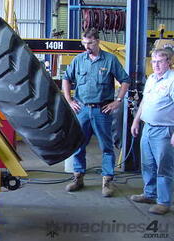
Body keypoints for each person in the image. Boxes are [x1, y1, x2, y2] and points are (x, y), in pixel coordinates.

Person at [62, 28, 131, 197]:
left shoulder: (110, 60)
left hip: (102, 110)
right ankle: (78, 177)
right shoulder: (79, 60)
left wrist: (118, 101)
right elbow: (66, 78)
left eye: (90, 43)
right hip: (82, 110)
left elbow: (125, 80)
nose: (87, 47)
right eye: (84, 43)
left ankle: (107, 180)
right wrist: (70, 101)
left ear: (98, 41)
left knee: (106, 147)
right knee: (78, 144)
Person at [130, 48, 174, 215]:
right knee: (147, 164)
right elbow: (144, 102)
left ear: (168, 61)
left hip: (165, 130)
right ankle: (149, 194)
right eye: (153, 61)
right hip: (147, 128)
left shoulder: (172, 80)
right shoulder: (151, 79)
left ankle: (163, 202)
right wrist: (136, 121)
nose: (155, 65)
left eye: (160, 61)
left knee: (164, 167)